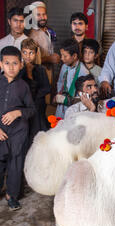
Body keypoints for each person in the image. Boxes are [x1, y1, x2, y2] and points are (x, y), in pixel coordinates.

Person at [0, 46, 36, 211]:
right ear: (1, 64)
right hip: (1, 130)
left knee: (16, 162)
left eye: (15, 63)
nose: (11, 67)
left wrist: (17, 112)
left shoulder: (23, 86)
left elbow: (31, 110)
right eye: (7, 63)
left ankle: (12, 195)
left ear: (21, 65)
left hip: (18, 131)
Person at [20, 38, 51, 142]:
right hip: (23, 108)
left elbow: (47, 88)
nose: (27, 56)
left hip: (38, 107)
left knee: (38, 136)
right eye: (25, 52)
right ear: (21, 52)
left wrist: (35, 96)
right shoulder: (18, 70)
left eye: (31, 53)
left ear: (36, 53)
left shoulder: (40, 69)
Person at [28, 1, 60, 102]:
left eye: (44, 14)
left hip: (50, 74)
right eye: (38, 15)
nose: (42, 17)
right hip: (39, 77)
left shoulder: (48, 31)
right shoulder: (32, 35)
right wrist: (49, 59)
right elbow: (29, 61)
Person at [55, 38, 89, 118]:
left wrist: (69, 100)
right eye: (61, 55)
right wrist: (60, 95)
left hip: (74, 109)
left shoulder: (84, 72)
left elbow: (86, 96)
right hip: (61, 107)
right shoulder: (64, 66)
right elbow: (60, 82)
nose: (62, 58)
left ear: (74, 56)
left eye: (65, 56)